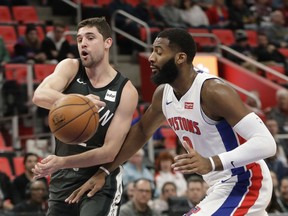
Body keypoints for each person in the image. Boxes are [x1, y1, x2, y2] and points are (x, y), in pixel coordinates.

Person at [64, 28, 277, 216]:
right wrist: (104, 171)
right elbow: (141, 132)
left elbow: (267, 144)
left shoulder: (212, 91)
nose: (150, 58)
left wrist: (211, 162)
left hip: (246, 182)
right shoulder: (163, 94)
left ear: (180, 57)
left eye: (159, 51)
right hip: (218, 184)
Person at [32, 17, 138, 216]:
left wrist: (62, 161)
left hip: (99, 180)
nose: (83, 44)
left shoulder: (126, 90)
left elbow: (109, 152)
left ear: (107, 43)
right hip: (63, 178)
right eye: (79, 39)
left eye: (90, 38)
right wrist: (81, 102)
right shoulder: (70, 67)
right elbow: (39, 95)